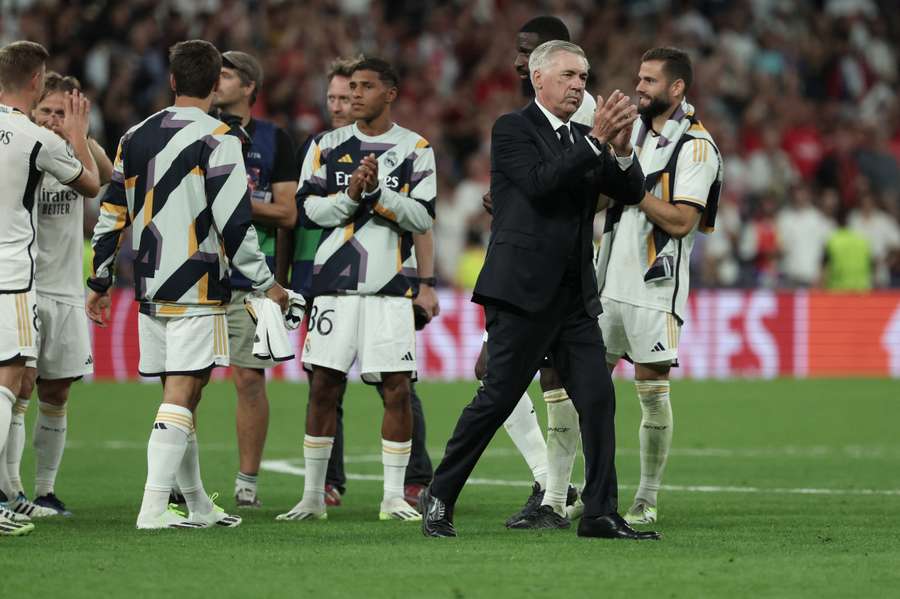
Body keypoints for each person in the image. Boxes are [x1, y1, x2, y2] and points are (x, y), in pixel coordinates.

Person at [420, 40, 658, 540]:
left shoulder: (583, 139)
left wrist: (620, 147)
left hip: (573, 297)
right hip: (522, 293)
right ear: (538, 78)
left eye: (584, 77)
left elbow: (632, 191)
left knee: (597, 399)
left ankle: (598, 513)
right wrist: (595, 142)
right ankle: (439, 493)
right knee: (499, 398)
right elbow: (540, 184)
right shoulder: (513, 130)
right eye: (570, 75)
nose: (579, 85)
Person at [87, 40, 288, 530]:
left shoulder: (134, 135)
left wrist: (99, 278)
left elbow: (112, 212)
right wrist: (266, 284)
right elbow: (235, 223)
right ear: (214, 81)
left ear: (173, 80)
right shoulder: (222, 138)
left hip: (150, 283)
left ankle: (196, 503)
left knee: (186, 392)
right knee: (183, 390)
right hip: (198, 285)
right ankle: (154, 508)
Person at [277, 57, 435, 523]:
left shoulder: (415, 148)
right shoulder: (326, 146)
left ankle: (392, 497)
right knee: (323, 386)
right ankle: (311, 496)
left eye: (366, 87)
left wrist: (377, 196)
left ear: (390, 93)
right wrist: (349, 197)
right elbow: (306, 210)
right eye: (352, 86)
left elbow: (423, 217)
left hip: (391, 287)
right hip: (335, 287)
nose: (356, 94)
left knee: (396, 389)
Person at [595, 47, 723, 525]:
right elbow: (605, 196)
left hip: (654, 288)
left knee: (651, 389)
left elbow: (682, 221)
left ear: (677, 88)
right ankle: (565, 490)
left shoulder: (696, 147)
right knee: (579, 385)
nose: (639, 88)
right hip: (606, 283)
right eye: (638, 78)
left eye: (649, 81)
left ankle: (646, 496)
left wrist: (633, 188)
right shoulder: (634, 136)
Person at [478, 14, 595, 529]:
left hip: (561, 267)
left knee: (540, 376)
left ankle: (554, 489)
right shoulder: (528, 117)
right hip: (535, 262)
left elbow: (591, 184)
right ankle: (553, 485)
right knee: (523, 376)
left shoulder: (578, 107)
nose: (517, 60)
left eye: (527, 50)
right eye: (518, 50)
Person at [0, 72, 113, 519]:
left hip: (64, 288)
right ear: (31, 109)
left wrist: (79, 134)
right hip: (23, 285)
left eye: (60, 112)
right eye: (45, 109)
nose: (51, 118)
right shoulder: (24, 151)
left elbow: (104, 177)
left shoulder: (69, 149)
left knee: (57, 392)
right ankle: (12, 491)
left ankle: (46, 491)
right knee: (18, 383)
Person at [212, 50, 298, 509]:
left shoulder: (274, 139)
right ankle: (177, 482)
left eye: (225, 75)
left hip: (253, 276)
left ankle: (247, 483)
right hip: (200, 274)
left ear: (249, 87)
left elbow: (288, 212)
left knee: (249, 380)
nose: (216, 82)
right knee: (186, 380)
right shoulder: (198, 130)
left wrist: (233, 202)